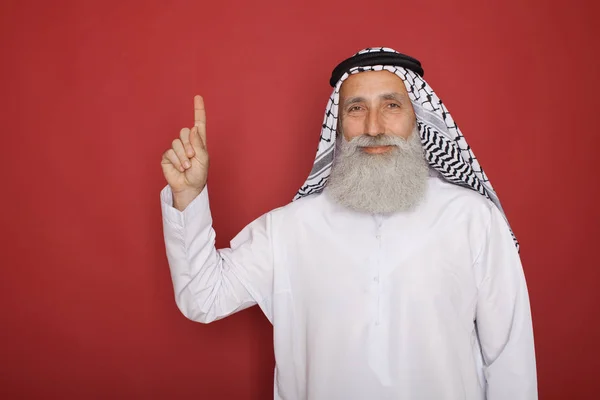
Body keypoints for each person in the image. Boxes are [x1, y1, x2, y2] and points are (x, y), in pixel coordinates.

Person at [159, 47, 537, 400]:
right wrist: (188, 196)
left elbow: (509, 359)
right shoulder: (291, 229)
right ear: (338, 126)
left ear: (418, 118)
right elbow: (202, 298)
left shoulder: (472, 219)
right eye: (356, 109)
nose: (374, 126)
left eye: (391, 105)